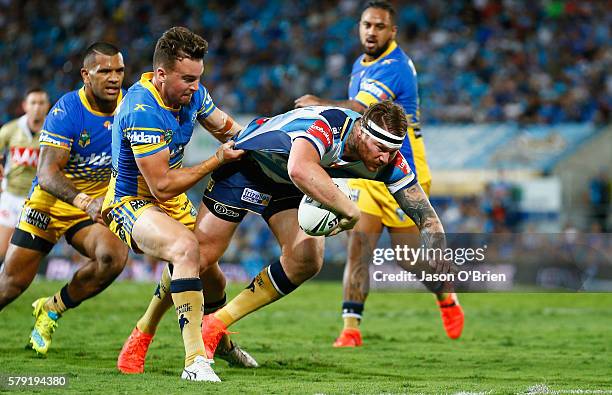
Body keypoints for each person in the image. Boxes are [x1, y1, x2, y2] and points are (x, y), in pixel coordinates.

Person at [192, 101, 451, 365]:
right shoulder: (329, 125)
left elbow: (426, 215)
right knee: (199, 258)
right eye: (381, 148)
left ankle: (216, 324)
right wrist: (351, 211)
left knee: (306, 260)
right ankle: (147, 330)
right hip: (247, 164)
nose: (385, 158)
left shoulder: (389, 161)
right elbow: (299, 167)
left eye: (393, 150)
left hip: (289, 184)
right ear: (362, 132)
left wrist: (436, 247)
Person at [294, 0, 463, 347]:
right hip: (367, 169)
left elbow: (360, 108)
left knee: (407, 258)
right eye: (367, 24)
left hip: (402, 170)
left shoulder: (395, 67)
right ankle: (351, 328)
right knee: (359, 246)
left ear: (392, 31)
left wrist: (318, 104)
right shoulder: (360, 64)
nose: (372, 31)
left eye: (379, 26)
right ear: (359, 26)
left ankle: (445, 292)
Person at [102, 27, 252, 382]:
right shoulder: (142, 109)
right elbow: (163, 185)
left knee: (212, 277)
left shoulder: (191, 95)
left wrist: (272, 141)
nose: (195, 86)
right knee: (185, 249)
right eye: (187, 79)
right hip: (131, 201)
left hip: (168, 202)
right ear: (161, 74)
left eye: (198, 78)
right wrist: (216, 160)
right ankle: (195, 360)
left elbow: (230, 130)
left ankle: (216, 341)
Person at [0, 43, 129, 356]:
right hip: (51, 203)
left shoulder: (129, 107)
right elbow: (46, 173)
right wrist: (85, 201)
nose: (114, 78)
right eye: (105, 71)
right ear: (86, 75)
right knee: (11, 285)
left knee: (113, 259)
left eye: (119, 71)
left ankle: (51, 310)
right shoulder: (67, 111)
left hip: (92, 206)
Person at [0, 88, 50, 263]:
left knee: (25, 252)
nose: (37, 107)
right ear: (25, 106)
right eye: (33, 103)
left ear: (47, 106)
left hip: (37, 199)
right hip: (10, 195)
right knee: (2, 249)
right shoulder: (10, 130)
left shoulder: (54, 130)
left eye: (41, 103)